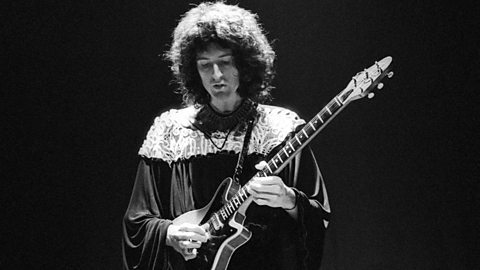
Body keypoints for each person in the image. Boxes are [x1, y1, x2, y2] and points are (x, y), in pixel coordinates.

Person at [122, 2, 330, 270]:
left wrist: (288, 199)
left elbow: (319, 215)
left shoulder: (281, 128)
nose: (216, 75)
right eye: (205, 65)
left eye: (225, 62)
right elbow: (136, 223)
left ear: (244, 64)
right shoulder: (169, 132)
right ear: (192, 70)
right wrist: (169, 234)